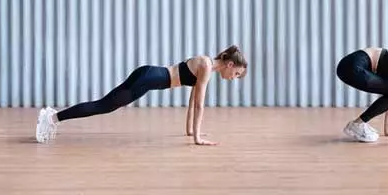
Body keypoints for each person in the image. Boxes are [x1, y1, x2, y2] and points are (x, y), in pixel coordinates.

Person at [35, 45, 247, 145]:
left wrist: (191, 132)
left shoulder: (206, 66)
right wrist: (198, 139)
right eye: (236, 74)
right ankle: (52, 118)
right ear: (230, 64)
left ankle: (53, 118)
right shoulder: (206, 65)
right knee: (103, 106)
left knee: (105, 105)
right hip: (147, 78)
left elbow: (193, 100)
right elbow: (200, 104)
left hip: (147, 76)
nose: (233, 78)